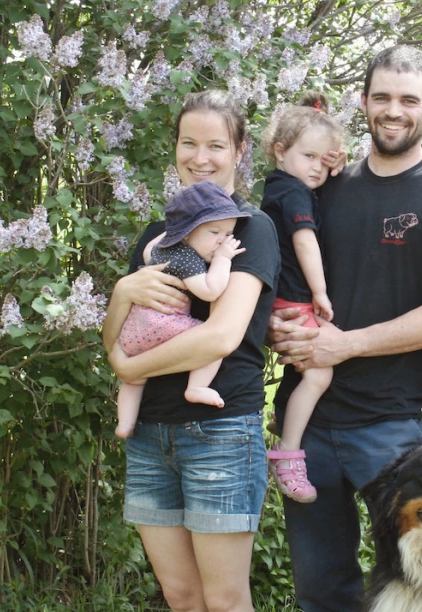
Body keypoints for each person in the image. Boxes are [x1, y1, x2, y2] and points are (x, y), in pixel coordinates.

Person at [268, 45, 422, 611]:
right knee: (321, 589)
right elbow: (282, 268)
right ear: (364, 102)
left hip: (388, 429)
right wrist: (277, 325)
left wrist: (345, 345)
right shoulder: (325, 186)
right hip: (308, 423)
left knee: (420, 582)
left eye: (409, 100)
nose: (394, 110)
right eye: (383, 97)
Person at [102, 90, 280, 612]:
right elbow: (118, 334)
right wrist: (120, 294)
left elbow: (221, 337)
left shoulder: (250, 229)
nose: (200, 158)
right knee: (181, 597)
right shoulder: (156, 235)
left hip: (220, 434)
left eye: (215, 145)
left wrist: (126, 366)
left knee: (224, 601)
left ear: (240, 149)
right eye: (188, 143)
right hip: (150, 433)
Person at [260, 92, 347, 504]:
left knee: (307, 372)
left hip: (278, 297)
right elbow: (305, 241)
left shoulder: (278, 186)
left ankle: (284, 420)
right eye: (308, 156)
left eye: (322, 160)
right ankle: (288, 452)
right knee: (319, 373)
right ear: (280, 151)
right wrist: (320, 292)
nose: (316, 168)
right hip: (294, 298)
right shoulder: (294, 193)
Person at [114, 181, 248, 439]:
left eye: (227, 234)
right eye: (214, 232)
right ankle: (196, 387)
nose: (222, 241)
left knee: (133, 380)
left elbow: (147, 251)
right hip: (163, 325)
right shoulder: (185, 257)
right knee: (212, 342)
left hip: (133, 331)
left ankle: (124, 424)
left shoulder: (160, 248)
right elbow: (210, 291)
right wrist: (222, 259)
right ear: (187, 233)